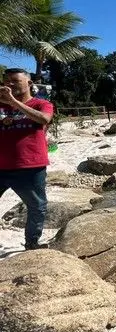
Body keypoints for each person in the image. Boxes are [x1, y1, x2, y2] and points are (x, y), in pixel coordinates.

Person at [0, 68, 54, 250]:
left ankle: (32, 243)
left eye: (15, 81)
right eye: (6, 81)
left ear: (29, 83)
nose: (9, 84)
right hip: (1, 165)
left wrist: (13, 102)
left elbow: (43, 119)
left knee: (37, 206)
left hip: (30, 166)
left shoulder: (41, 104)